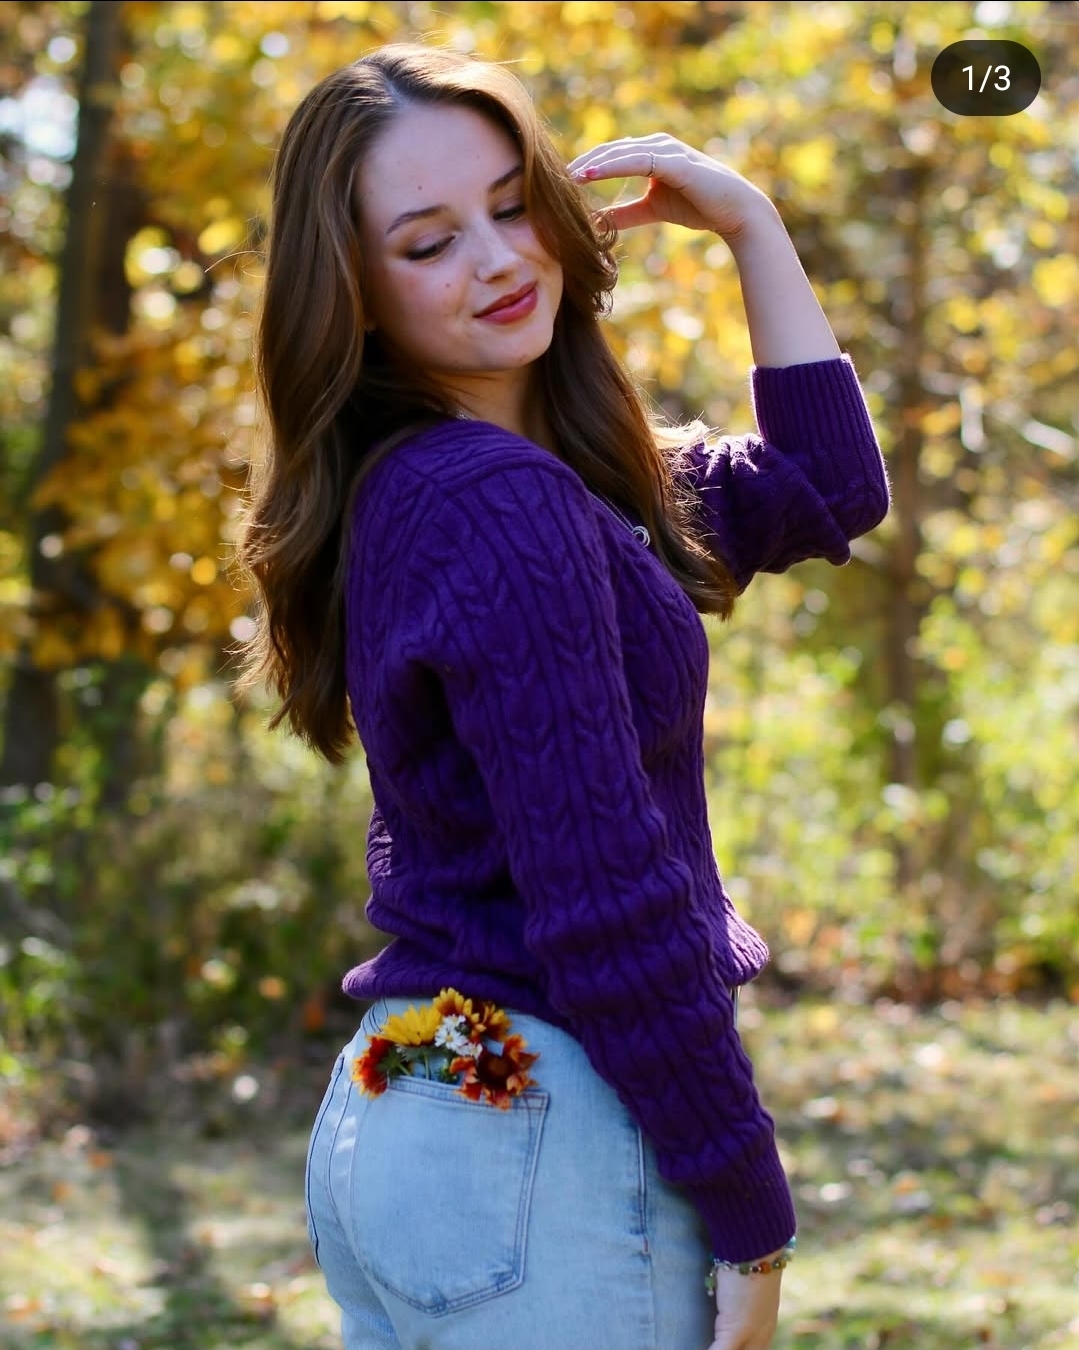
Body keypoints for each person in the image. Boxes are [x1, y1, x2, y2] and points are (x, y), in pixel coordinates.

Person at [235, 40, 889, 1350]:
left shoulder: (529, 486)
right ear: (352, 289)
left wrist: (750, 226)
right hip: (536, 1132)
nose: (496, 258)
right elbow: (605, 900)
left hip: (412, 1097)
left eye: (512, 203)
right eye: (429, 242)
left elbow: (827, 488)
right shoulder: (499, 505)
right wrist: (752, 1213)